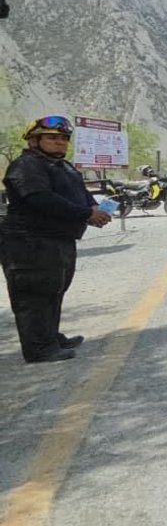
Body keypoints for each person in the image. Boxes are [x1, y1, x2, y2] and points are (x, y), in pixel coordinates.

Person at [1, 115, 112, 363]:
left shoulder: (64, 166)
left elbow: (80, 194)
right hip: (28, 243)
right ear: (34, 140)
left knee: (54, 289)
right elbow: (40, 199)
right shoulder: (25, 166)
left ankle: (50, 337)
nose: (59, 142)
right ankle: (38, 348)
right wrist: (86, 214)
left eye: (63, 138)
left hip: (57, 240)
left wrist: (95, 209)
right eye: (52, 137)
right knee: (34, 294)